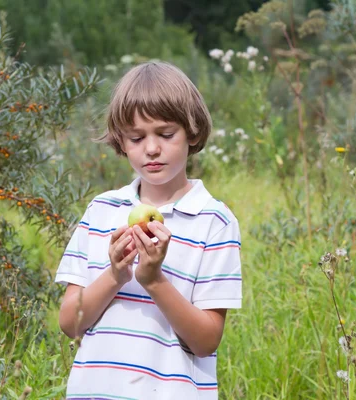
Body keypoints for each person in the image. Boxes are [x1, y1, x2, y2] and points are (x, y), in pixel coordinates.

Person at [56, 61, 242, 400]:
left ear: (193, 132)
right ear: (121, 142)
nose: (152, 148)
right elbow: (70, 323)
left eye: (166, 134)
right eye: (137, 137)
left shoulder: (214, 221)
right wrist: (115, 274)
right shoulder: (101, 211)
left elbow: (205, 341)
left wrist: (154, 280)